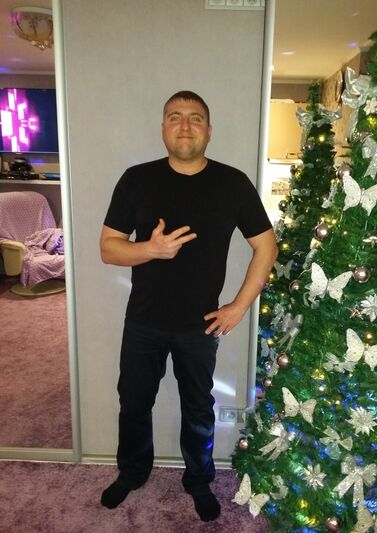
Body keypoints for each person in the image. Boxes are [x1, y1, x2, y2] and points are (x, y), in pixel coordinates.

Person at [99, 90, 278, 521]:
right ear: (163, 127)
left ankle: (198, 480)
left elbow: (267, 247)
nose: (184, 126)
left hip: (200, 325)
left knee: (198, 408)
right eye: (175, 116)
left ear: (209, 130)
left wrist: (238, 306)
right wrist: (151, 249)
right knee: (134, 403)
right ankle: (132, 472)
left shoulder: (232, 183)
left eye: (195, 118)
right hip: (143, 321)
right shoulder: (136, 179)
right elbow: (108, 248)